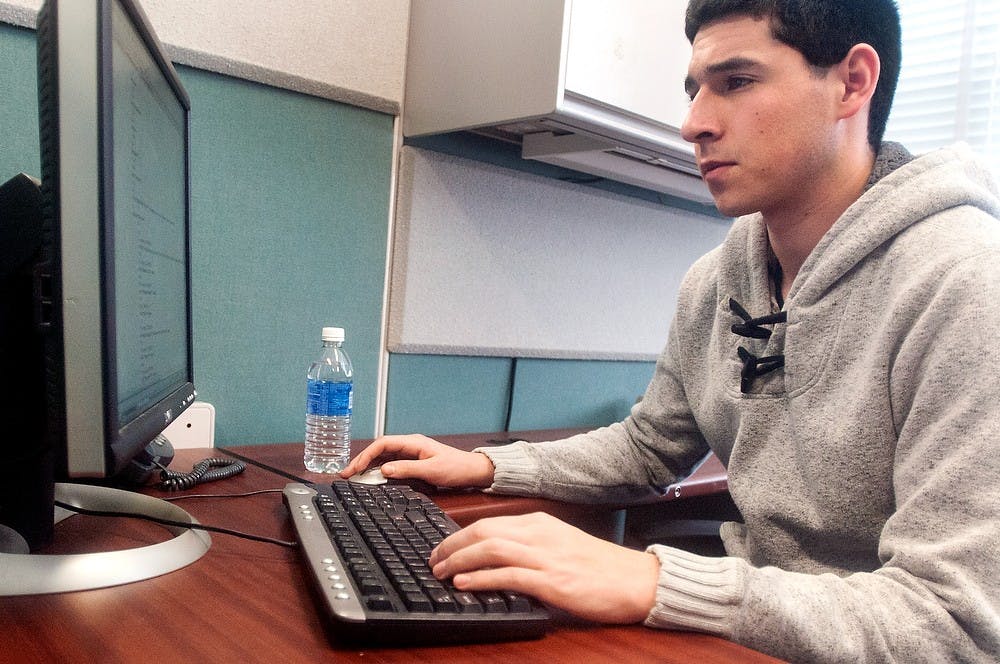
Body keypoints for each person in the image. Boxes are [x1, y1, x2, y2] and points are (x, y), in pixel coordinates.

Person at [344, 0, 1000, 660]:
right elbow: (648, 448)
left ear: (852, 82)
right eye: (694, 90)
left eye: (737, 83)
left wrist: (654, 578)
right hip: (753, 638)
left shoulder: (966, 281)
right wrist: (487, 466)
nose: (694, 124)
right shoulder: (716, 282)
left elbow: (953, 619)